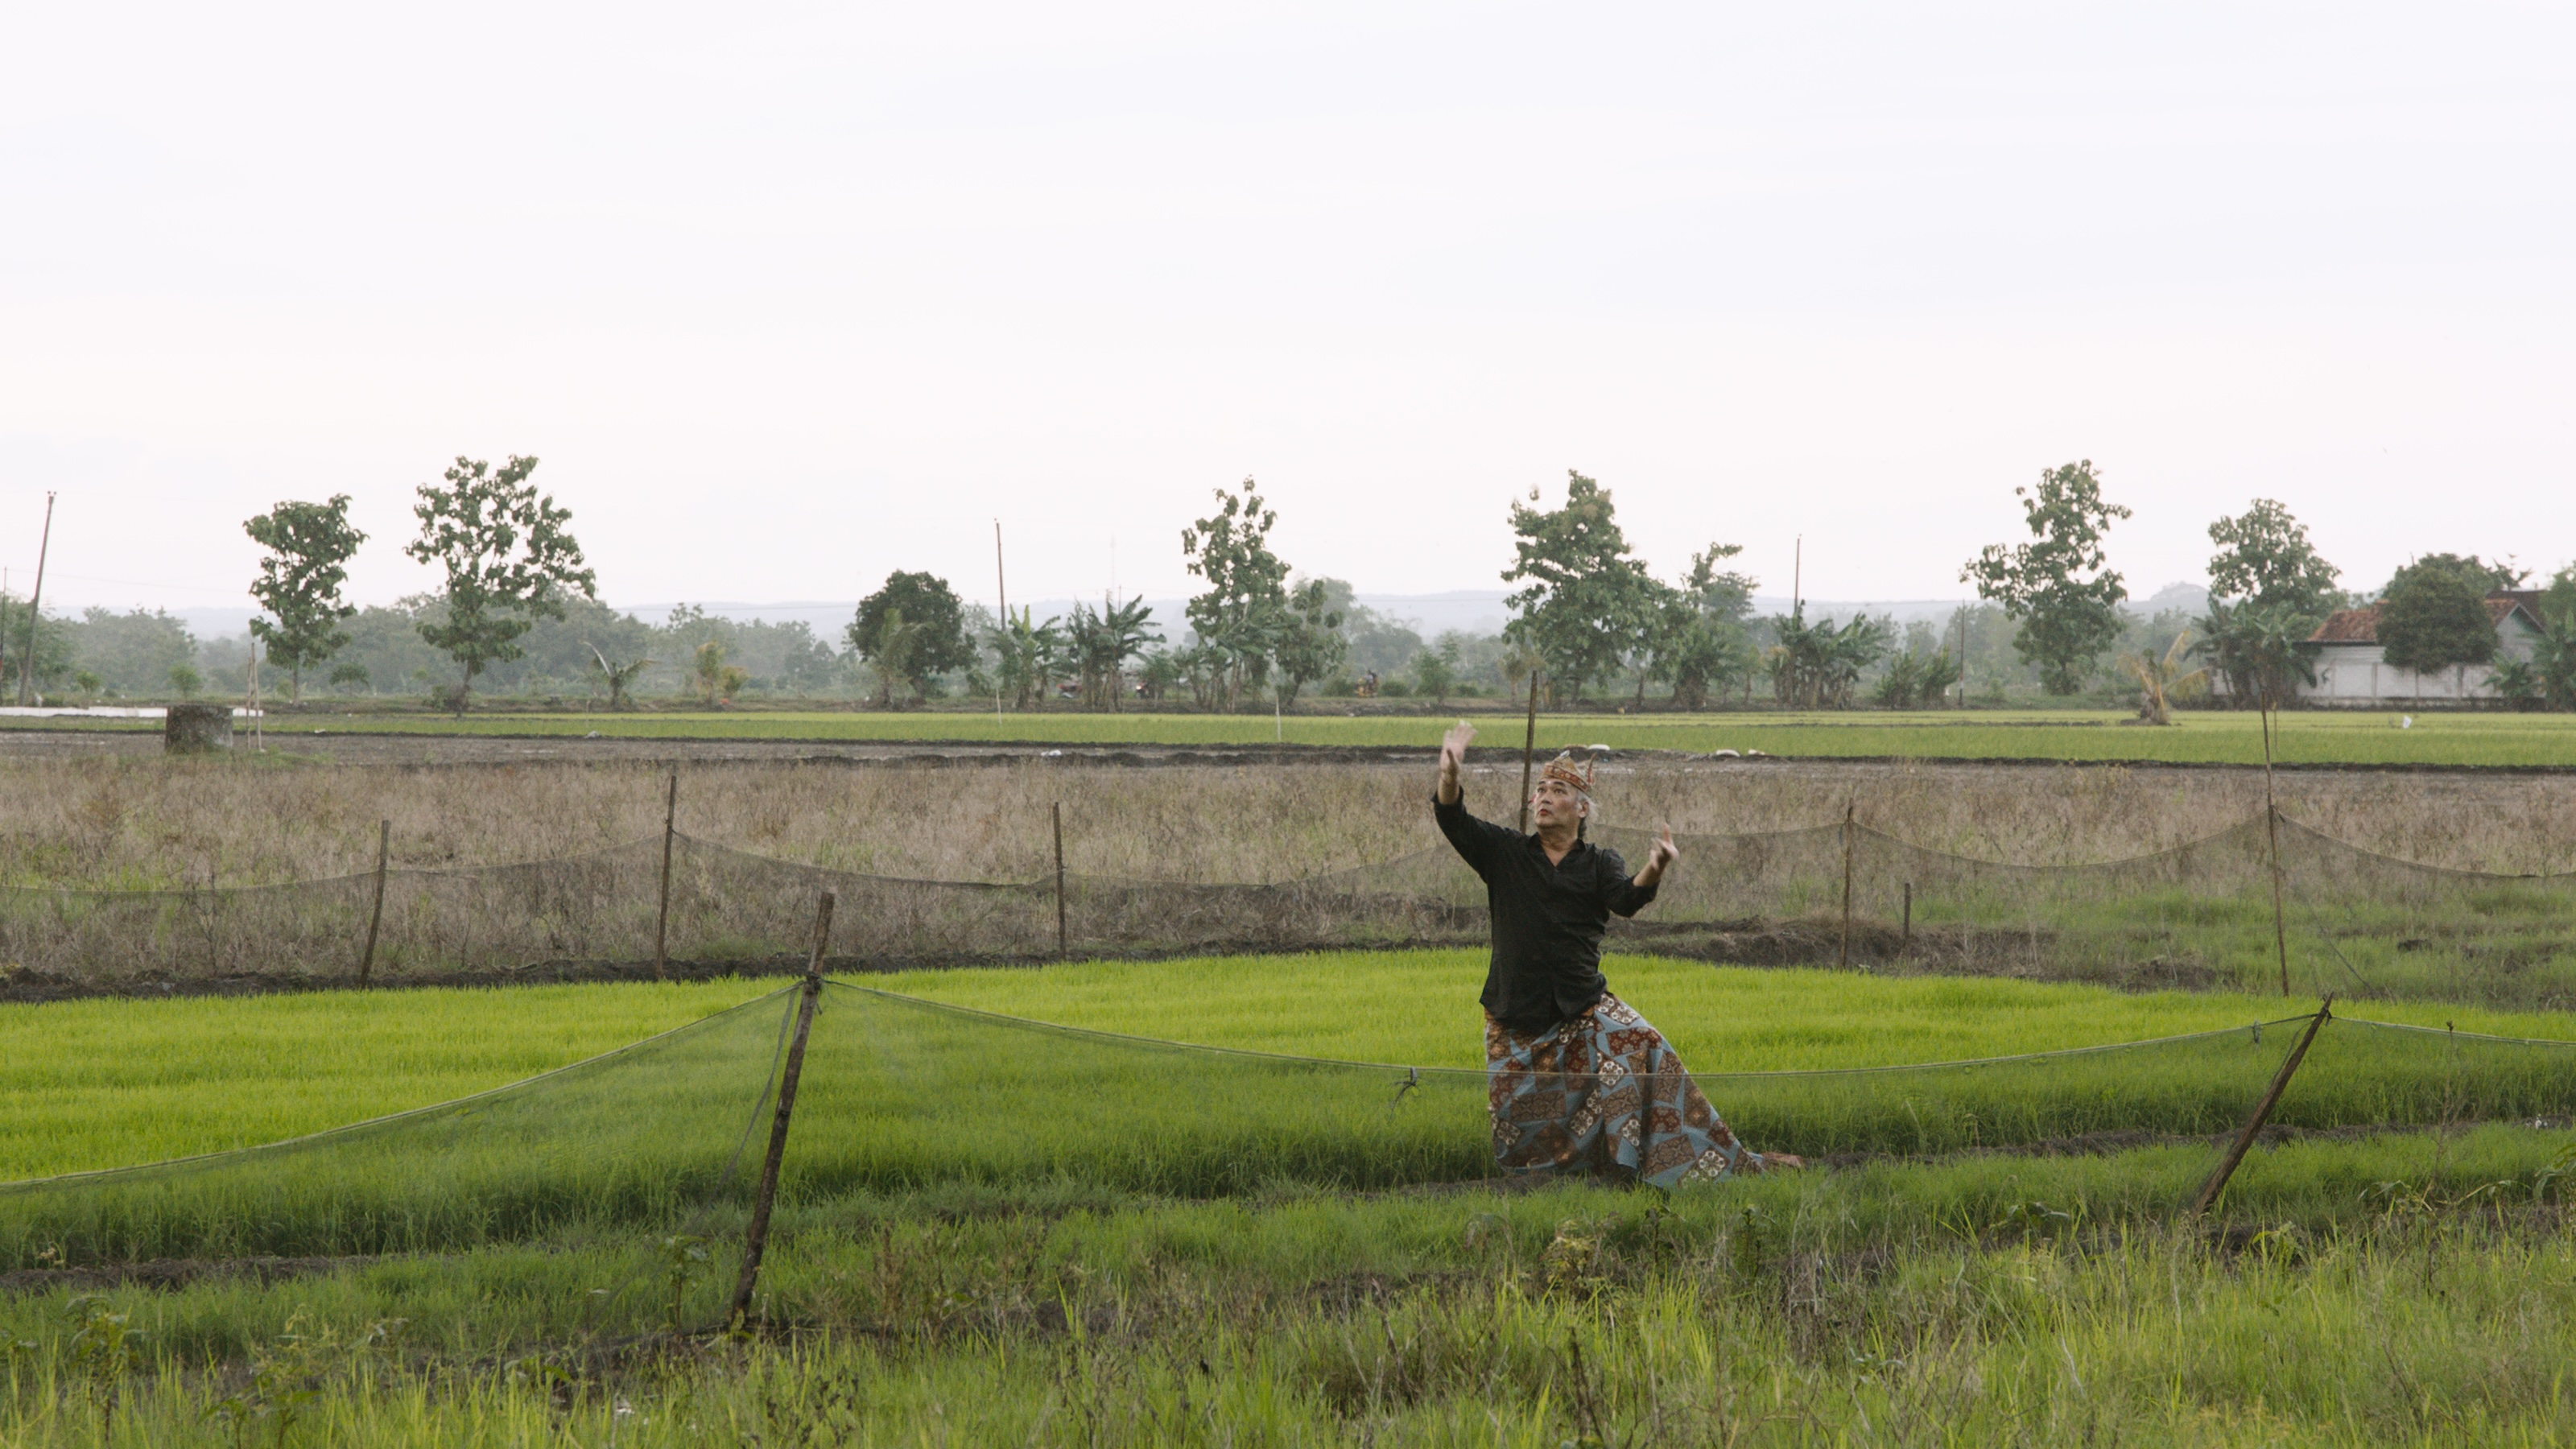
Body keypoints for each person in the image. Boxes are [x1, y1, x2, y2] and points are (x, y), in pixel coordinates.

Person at [1434, 720, 1802, 1185]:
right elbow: (1452, 818)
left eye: (1559, 790)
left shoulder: (1599, 862)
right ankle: (1537, 1184)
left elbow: (1627, 899)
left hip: (1581, 1004)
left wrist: (1656, 865)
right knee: (1522, 1120)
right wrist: (1449, 773)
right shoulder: (1504, 852)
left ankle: (1642, 1164)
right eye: (1541, 790)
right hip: (1515, 1010)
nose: (1545, 797)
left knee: (1642, 1043)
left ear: (1581, 808)